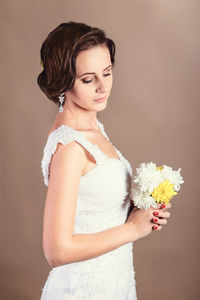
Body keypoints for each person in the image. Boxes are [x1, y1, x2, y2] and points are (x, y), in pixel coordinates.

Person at [38, 21, 171, 300]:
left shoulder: (94, 129)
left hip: (114, 280)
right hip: (83, 290)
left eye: (107, 72)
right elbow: (57, 251)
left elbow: (92, 211)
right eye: (88, 79)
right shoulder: (70, 147)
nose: (102, 87)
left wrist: (140, 208)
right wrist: (133, 228)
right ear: (63, 82)